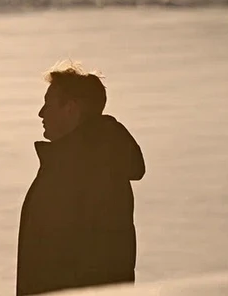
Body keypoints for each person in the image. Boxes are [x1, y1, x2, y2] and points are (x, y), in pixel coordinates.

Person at [16, 63, 145, 296]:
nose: (41, 113)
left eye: (49, 104)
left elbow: (97, 263)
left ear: (71, 109)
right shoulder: (78, 163)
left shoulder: (88, 170)